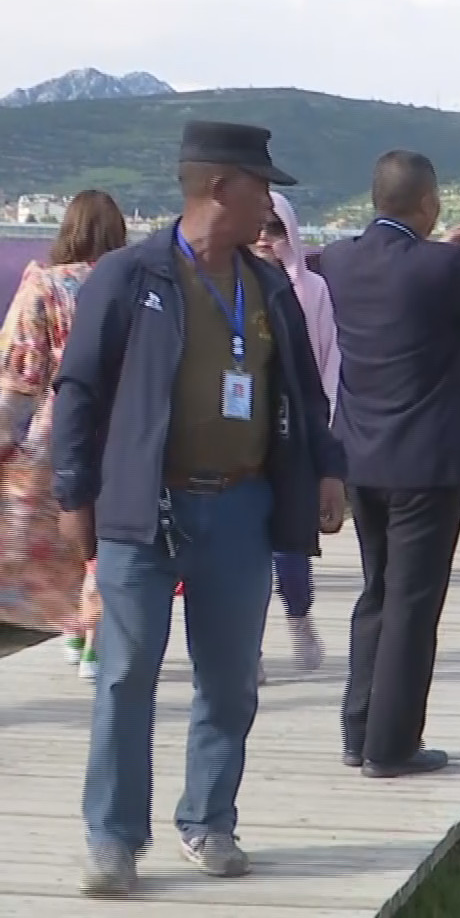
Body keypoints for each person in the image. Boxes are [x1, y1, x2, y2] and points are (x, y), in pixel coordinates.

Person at [54, 123, 345, 895]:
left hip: (241, 509)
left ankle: (209, 819)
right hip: (142, 511)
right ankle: (112, 839)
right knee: (124, 676)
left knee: (229, 679)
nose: (270, 205)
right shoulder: (129, 276)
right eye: (261, 188)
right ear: (221, 188)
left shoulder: (271, 284)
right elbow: (78, 391)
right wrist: (71, 495)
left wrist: (327, 472)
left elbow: (307, 395)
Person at [322, 150, 460, 783]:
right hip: (427, 462)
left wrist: (445, 250)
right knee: (414, 602)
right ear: (429, 204)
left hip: (361, 455)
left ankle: (359, 732)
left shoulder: (338, 260)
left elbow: (399, 274)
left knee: (377, 593)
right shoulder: (445, 266)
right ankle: (392, 746)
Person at [0, 191, 127, 679]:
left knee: (59, 535)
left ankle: (73, 631)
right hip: (121, 429)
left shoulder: (45, 287)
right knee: (105, 537)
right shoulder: (129, 285)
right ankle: (92, 635)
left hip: (56, 432)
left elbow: (20, 373)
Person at [246, 191, 339, 671]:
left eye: (275, 229)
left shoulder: (312, 290)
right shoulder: (230, 283)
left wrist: (320, 435)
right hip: (238, 437)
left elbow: (326, 363)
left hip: (295, 434)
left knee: (290, 540)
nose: (265, 238)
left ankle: (300, 621)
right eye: (258, 227)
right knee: (244, 547)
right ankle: (251, 645)